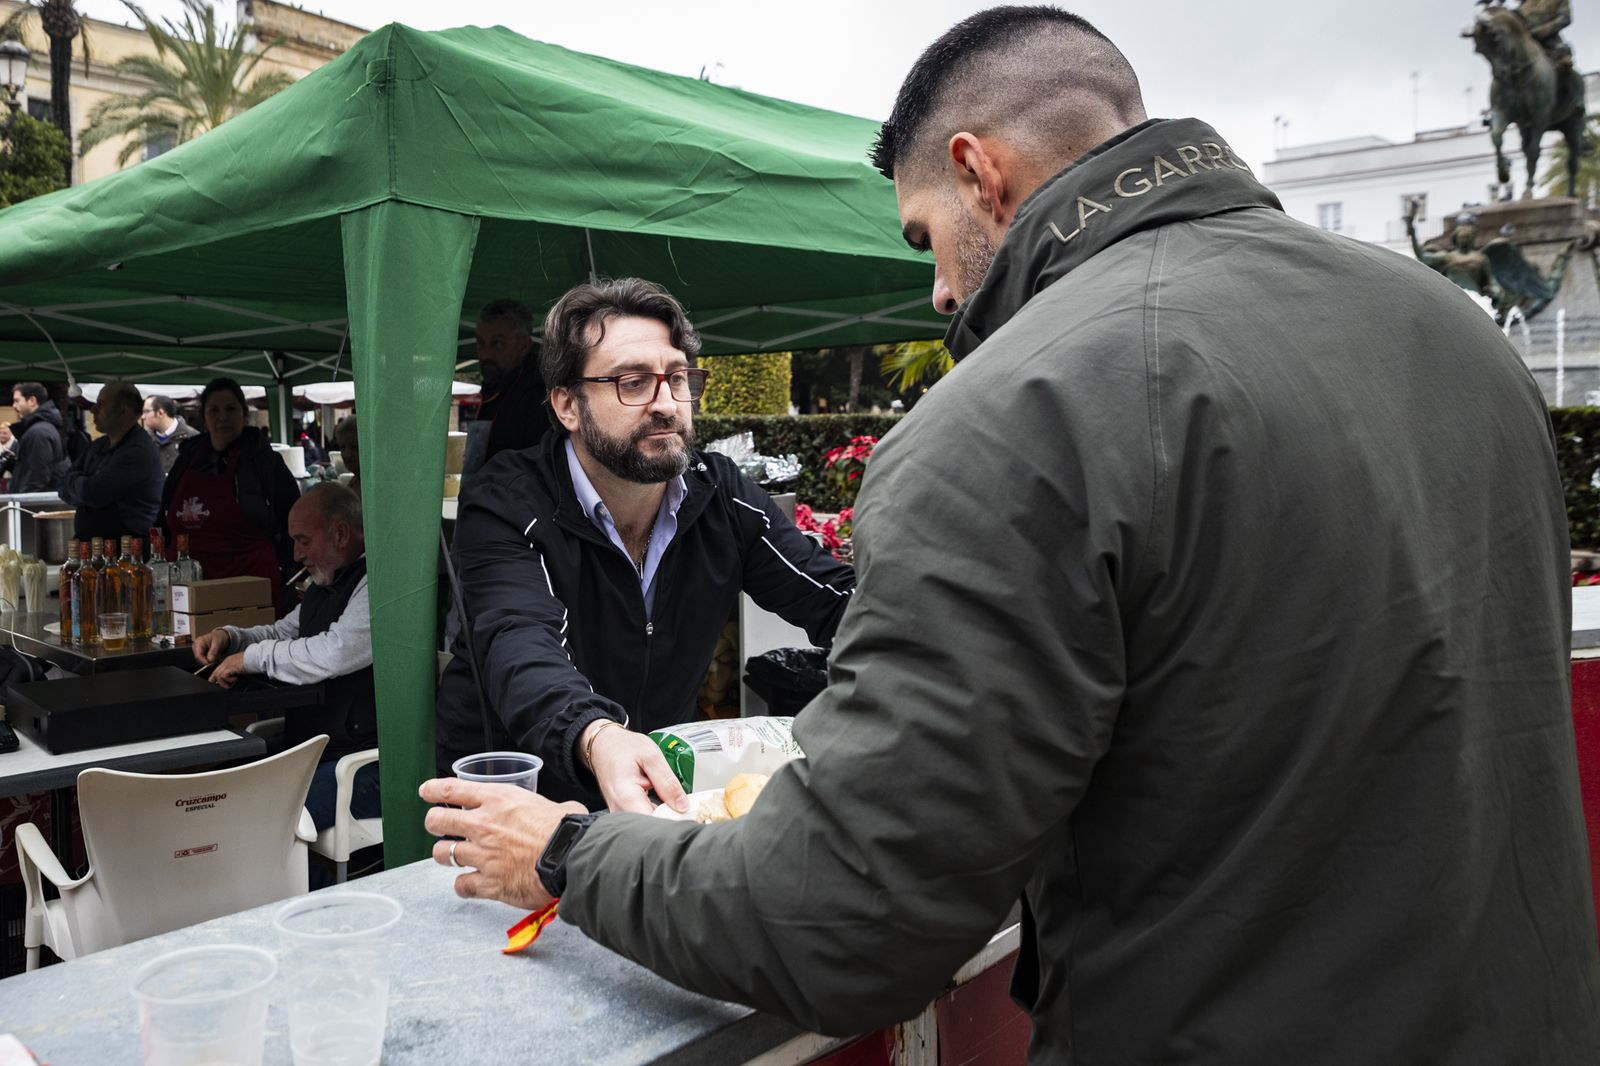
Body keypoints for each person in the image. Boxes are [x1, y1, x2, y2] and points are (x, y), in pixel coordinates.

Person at [419, 8, 1600, 1063]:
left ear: (982, 175)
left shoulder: (1016, 413)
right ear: (568, 403)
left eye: (923, 237)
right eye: (631, 381)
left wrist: (572, 856)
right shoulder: (1460, 336)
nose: (936, 294)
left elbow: (840, 917)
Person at [434, 277, 854, 812]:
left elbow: (829, 592)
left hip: (651, 786)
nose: (666, 404)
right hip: (519, 793)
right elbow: (519, 640)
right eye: (633, 382)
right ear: (567, 405)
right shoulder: (506, 502)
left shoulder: (719, 494)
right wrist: (598, 735)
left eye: (678, 378)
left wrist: (924, 642)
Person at [193, 482, 377, 833]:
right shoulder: (328, 584)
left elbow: (333, 652)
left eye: (304, 541)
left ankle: (307, 888)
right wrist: (233, 639)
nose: (295, 554)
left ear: (340, 534)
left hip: (363, 761)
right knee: (220, 788)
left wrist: (252, 658)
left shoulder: (375, 585)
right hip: (316, 745)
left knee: (266, 816)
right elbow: (284, 632)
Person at [160, 377, 300, 611]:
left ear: (244, 414)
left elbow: (292, 521)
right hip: (189, 587)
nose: (222, 417)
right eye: (214, 410)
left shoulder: (265, 461)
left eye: (231, 409)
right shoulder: (187, 460)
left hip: (248, 584)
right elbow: (162, 515)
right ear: (204, 417)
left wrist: (289, 570)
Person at [57, 380, 164, 544]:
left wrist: (78, 484)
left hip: (126, 555)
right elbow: (63, 488)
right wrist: (82, 486)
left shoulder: (138, 452)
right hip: (95, 551)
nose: (93, 409)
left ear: (123, 411)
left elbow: (94, 493)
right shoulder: (98, 445)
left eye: (101, 404)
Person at [462, 298, 551, 475]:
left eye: (497, 343)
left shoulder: (539, 396)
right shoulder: (492, 391)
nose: (485, 354)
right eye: (481, 343)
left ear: (523, 345)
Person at [3, 382, 64, 493]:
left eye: (17, 401)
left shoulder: (38, 433)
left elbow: (37, 477)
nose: (13, 406)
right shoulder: (38, 429)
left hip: (34, 506)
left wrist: (26, 504)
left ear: (32, 401)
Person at [141, 394, 199, 475]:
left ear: (160, 413)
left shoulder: (193, 437)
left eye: (146, 411)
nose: (143, 416)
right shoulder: (143, 438)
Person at [333, 414, 360, 496]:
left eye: (354, 447)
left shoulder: (375, 483)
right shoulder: (354, 482)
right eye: (342, 447)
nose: (347, 454)